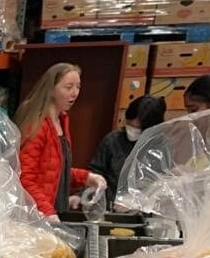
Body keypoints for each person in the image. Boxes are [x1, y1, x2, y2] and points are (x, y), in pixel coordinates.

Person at [14, 63, 106, 218]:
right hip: (34, 216)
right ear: (50, 90)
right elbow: (25, 177)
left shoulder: (62, 120)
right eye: (68, 87)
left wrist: (86, 177)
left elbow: (52, 169)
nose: (75, 93)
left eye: (78, 86)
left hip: (51, 210)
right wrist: (47, 211)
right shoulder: (37, 124)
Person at [89, 95, 167, 204]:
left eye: (137, 128)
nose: (131, 131)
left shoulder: (160, 148)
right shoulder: (112, 141)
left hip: (144, 212)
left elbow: (162, 184)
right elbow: (95, 172)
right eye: (129, 125)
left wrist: (137, 201)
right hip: (110, 207)